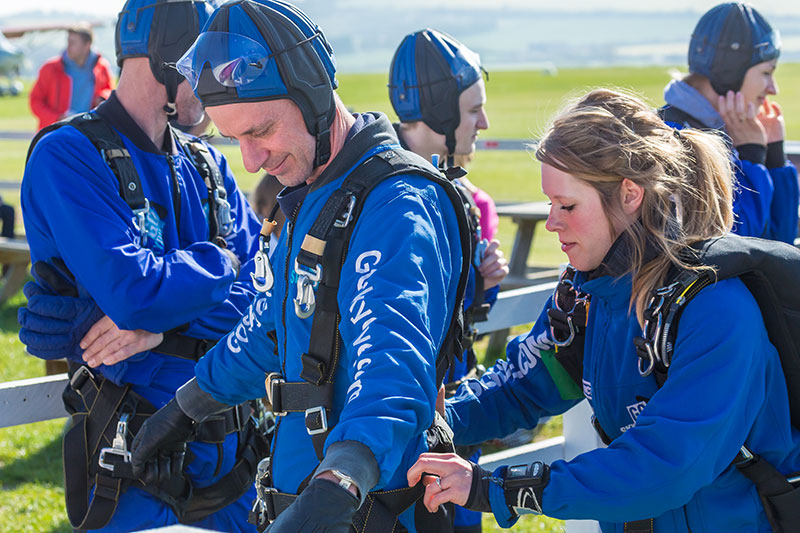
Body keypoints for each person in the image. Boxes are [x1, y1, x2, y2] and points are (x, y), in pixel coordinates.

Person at [128, 1, 471, 531]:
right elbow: (275, 326)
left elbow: (391, 362)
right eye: (233, 137)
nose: (250, 159)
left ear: (312, 95)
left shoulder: (394, 205)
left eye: (260, 130)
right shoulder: (317, 195)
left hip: (366, 510)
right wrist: (187, 407)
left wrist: (340, 484)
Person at [406, 88, 800, 532]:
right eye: (549, 204)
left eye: (567, 205)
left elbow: (664, 469)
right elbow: (522, 388)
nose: (552, 221)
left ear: (630, 194)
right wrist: (425, 421)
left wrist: (493, 488)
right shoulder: (589, 298)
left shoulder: (718, 311)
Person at [18, 0, 265, 530]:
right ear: (165, 61)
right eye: (207, 68)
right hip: (136, 472)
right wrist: (225, 262)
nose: (221, 85)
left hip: (239, 469)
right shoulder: (67, 157)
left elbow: (271, 299)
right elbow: (136, 293)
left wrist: (156, 332)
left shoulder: (209, 164)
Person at [389, 28, 508, 533]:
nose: (484, 122)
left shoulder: (447, 190)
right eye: (472, 108)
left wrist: (484, 284)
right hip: (406, 424)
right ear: (439, 112)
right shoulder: (391, 196)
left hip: (451, 415)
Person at [660, 2, 798, 244]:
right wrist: (751, 158)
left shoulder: (728, 132)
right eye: (766, 72)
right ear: (730, 73)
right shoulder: (674, 141)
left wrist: (774, 157)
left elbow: (781, 244)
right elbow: (736, 248)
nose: (773, 89)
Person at [29, 23, 115, 130]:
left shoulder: (102, 67)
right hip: (55, 133)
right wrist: (58, 118)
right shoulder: (49, 68)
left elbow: (110, 93)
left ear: (87, 45)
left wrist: (102, 97)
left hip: (89, 132)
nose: (68, 47)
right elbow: (35, 101)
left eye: (73, 43)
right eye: (68, 42)